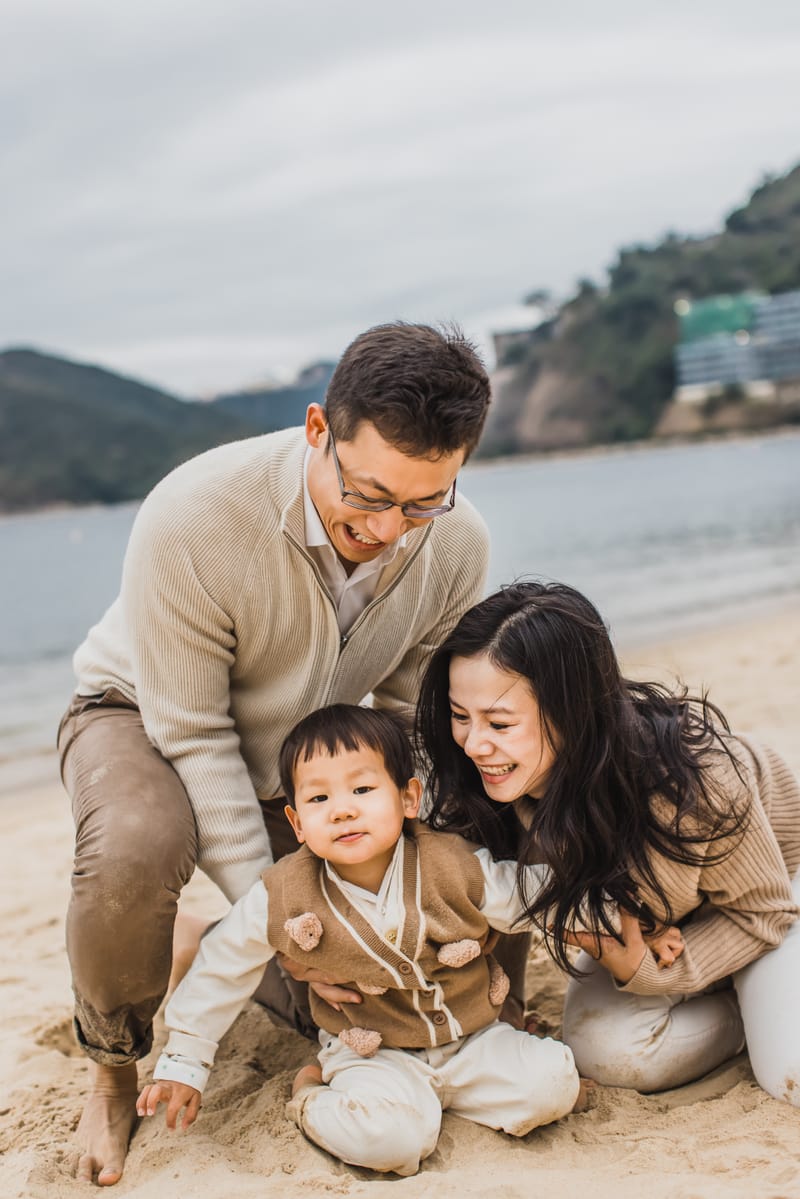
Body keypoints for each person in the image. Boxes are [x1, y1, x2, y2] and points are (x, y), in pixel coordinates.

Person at [57, 322, 493, 1186]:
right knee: (135, 853)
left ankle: (199, 938)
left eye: (422, 503)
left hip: (306, 753)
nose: (390, 528)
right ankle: (111, 1066)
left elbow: (412, 717)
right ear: (317, 430)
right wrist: (291, 919)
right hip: (144, 714)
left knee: (358, 983)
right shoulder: (193, 516)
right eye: (368, 494)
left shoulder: (456, 543)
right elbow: (195, 733)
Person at [136, 704, 594, 1176]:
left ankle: (451, 1096)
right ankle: (309, 1094)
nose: (343, 810)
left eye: (362, 789)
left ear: (408, 798)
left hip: (471, 1037)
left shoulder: (453, 866)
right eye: (319, 799)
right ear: (297, 823)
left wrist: (604, 906)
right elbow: (222, 967)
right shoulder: (284, 894)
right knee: (391, 1143)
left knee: (551, 1084)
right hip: (374, 1054)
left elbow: (527, 896)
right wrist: (184, 1064)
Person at [415, 581, 800, 1105]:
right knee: (607, 1053)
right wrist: (503, 1006)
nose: (474, 744)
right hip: (656, 915)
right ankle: (737, 1010)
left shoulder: (694, 785)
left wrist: (644, 969)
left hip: (773, 895)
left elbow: (764, 912)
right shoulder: (484, 779)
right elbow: (491, 885)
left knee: (787, 1075)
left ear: (572, 713)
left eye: (500, 723)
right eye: (460, 716)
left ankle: (759, 1007)